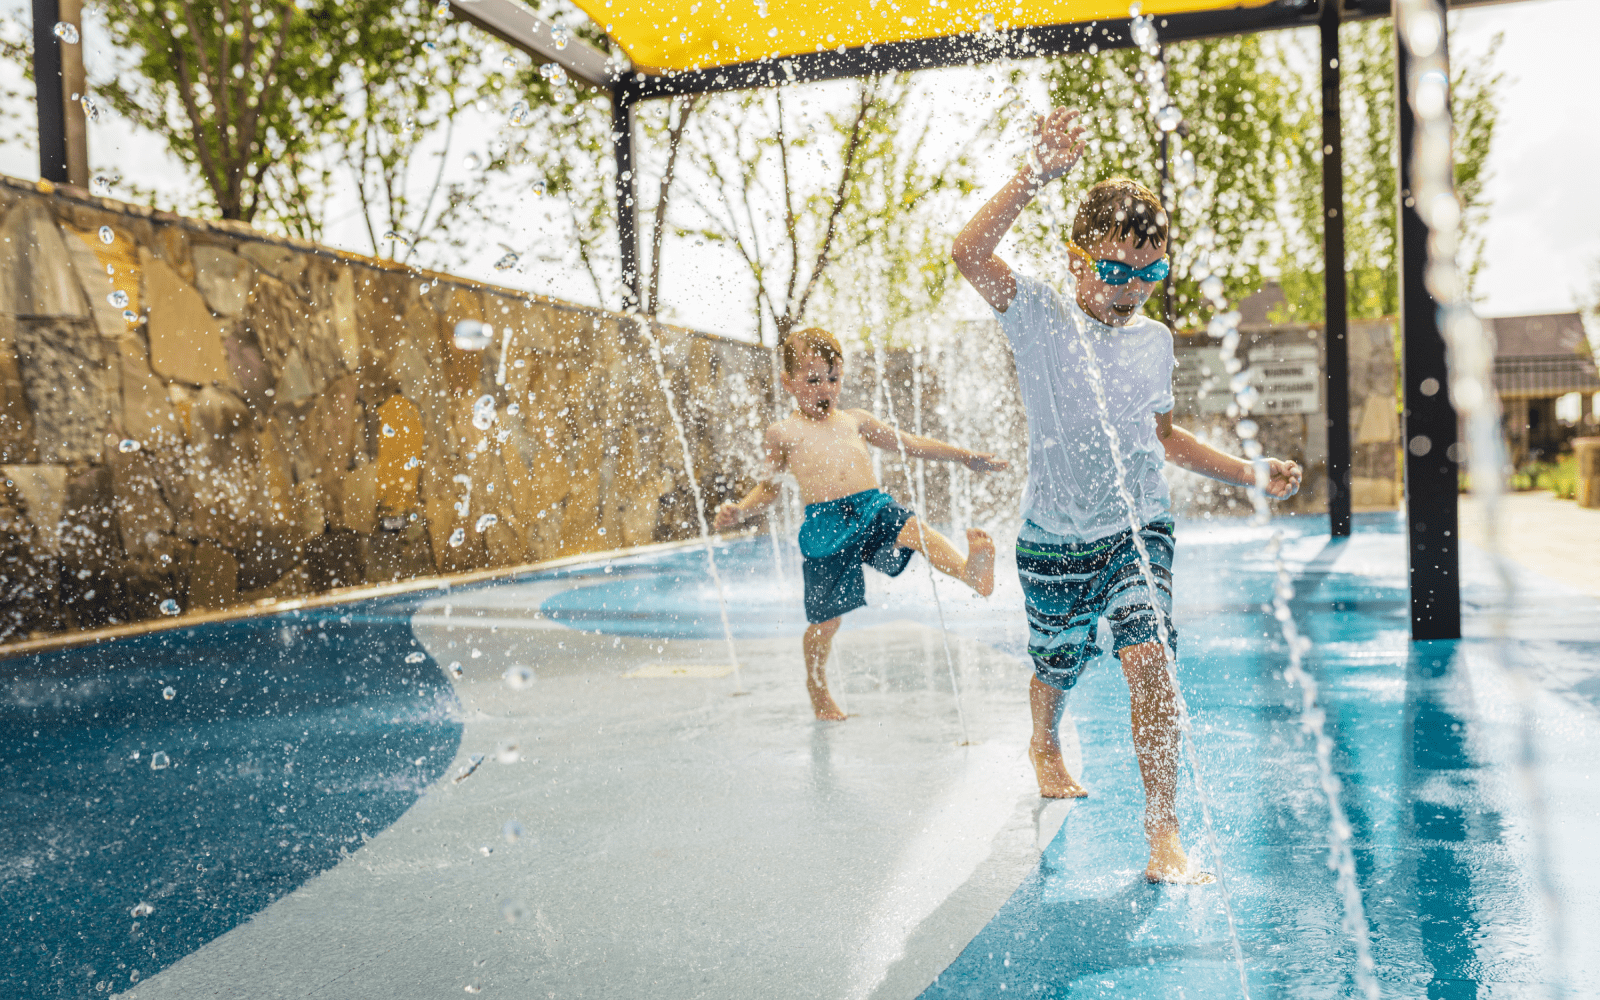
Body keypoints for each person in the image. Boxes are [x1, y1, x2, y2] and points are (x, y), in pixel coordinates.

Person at [951, 107, 1302, 884]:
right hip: (1052, 537)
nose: (1133, 288)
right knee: (1057, 666)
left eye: (1152, 272)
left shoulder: (1154, 341)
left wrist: (1248, 472)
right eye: (1116, 269)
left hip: (1136, 530)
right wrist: (1036, 175)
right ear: (1077, 260)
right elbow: (967, 251)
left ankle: (1163, 834)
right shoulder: (1036, 313)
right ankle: (1044, 739)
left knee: (1150, 660)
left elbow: (1165, 439)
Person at [713, 327, 1009, 721]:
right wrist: (741, 510)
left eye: (833, 379)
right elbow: (768, 489)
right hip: (825, 525)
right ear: (788, 382)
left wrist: (963, 455)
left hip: (871, 507)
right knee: (825, 621)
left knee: (917, 531)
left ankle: (970, 574)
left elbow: (910, 442)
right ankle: (816, 684)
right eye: (814, 379)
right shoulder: (782, 433)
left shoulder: (855, 420)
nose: (826, 389)